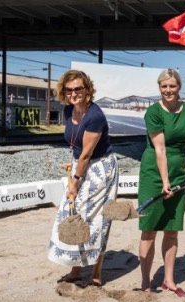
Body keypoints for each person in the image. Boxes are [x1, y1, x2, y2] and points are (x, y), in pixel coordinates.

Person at [137, 68, 185, 297]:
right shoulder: (153, 112)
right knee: (149, 229)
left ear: (179, 87)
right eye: (164, 86)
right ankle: (146, 282)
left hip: (177, 170)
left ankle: (169, 280)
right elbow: (159, 148)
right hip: (154, 173)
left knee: (172, 230)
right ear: (160, 88)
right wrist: (165, 182)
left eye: (172, 86)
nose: (168, 90)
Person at [48, 69, 118, 287]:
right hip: (81, 164)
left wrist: (75, 181)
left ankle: (96, 272)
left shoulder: (95, 116)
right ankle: (76, 268)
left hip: (100, 169)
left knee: (98, 219)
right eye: (69, 90)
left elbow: (88, 152)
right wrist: (74, 163)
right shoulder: (69, 110)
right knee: (73, 212)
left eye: (78, 88)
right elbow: (78, 147)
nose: (73, 93)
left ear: (87, 90)